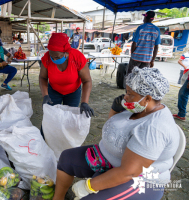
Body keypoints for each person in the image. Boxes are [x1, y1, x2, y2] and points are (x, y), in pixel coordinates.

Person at [53, 67, 179, 200]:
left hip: (140, 179)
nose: (125, 97)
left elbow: (128, 172)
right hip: (112, 160)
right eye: (126, 92)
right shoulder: (139, 107)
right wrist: (115, 110)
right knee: (66, 158)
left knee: (88, 198)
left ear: (147, 98)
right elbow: (115, 130)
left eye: (130, 94)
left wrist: (88, 186)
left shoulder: (154, 129)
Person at [39, 33, 94, 118]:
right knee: (51, 117)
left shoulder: (78, 57)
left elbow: (87, 81)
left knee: (70, 118)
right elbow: (43, 77)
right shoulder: (46, 58)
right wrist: (45, 95)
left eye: (57, 57)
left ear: (66, 52)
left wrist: (84, 102)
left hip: (73, 92)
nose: (54, 59)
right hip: (53, 91)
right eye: (52, 57)